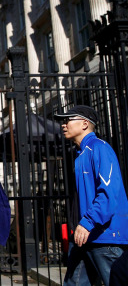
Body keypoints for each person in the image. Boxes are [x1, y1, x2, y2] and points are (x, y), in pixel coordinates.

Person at [55, 105, 128, 286]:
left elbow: (108, 193)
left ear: (85, 124)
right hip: (83, 236)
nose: (63, 125)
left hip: (104, 237)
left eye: (68, 120)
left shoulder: (99, 148)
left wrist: (88, 222)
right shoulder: (79, 154)